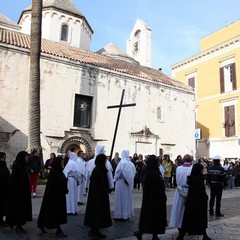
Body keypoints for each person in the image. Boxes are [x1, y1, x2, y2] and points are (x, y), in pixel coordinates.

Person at [134, 155, 167, 240]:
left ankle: (151, 234)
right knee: (154, 217)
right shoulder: (154, 173)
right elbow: (159, 186)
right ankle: (150, 234)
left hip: (148, 199)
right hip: (155, 199)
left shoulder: (148, 171)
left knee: (148, 217)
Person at [176, 163, 211, 240]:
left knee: (187, 218)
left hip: (191, 202)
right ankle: (204, 235)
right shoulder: (199, 179)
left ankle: (181, 235)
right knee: (201, 219)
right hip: (199, 203)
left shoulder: (191, 179)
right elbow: (201, 192)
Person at [37, 156, 68, 237]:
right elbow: (57, 185)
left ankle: (41, 224)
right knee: (55, 213)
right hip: (55, 197)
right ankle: (58, 230)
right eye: (61, 162)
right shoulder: (55, 173)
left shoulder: (58, 172)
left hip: (58, 196)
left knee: (48, 212)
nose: (62, 164)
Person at [84, 154, 112, 238]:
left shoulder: (100, 169)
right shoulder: (98, 170)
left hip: (100, 196)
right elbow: (99, 185)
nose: (106, 162)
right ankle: (94, 230)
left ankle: (95, 230)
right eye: (105, 160)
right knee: (97, 213)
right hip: (98, 197)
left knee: (98, 213)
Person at [6, 151, 32, 233]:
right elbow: (15, 182)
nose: (27, 158)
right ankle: (18, 225)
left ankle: (16, 224)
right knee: (18, 209)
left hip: (23, 192)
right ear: (22, 157)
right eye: (26, 157)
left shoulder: (23, 166)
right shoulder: (18, 167)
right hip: (18, 193)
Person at [169, 154, 192, 230]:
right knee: (188, 209)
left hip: (179, 189)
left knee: (178, 207)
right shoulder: (192, 168)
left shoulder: (179, 168)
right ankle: (188, 225)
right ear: (191, 160)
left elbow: (177, 178)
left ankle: (178, 223)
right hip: (189, 190)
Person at [113, 150, 136, 221]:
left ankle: (119, 215)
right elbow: (134, 172)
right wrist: (130, 180)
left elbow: (117, 173)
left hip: (120, 183)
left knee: (120, 199)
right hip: (127, 183)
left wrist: (114, 180)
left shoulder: (122, 163)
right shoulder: (130, 163)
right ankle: (126, 215)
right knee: (126, 199)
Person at [63, 151, 81, 215]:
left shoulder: (69, 163)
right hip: (72, 181)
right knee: (73, 195)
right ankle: (72, 210)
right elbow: (76, 173)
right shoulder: (73, 163)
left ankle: (69, 209)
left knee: (69, 196)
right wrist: (79, 180)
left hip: (69, 181)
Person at [0, 152, 10, 227]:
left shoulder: (4, 166)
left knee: (3, 205)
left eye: (4, 157)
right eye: (3, 157)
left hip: (5, 189)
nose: (4, 158)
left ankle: (1, 220)